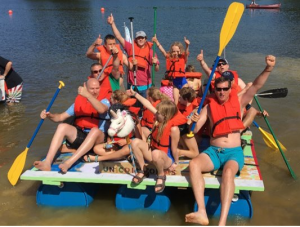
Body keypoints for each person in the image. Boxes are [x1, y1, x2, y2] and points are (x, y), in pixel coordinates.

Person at [185, 55, 276, 225]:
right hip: (213, 152)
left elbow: (256, 85)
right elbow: (195, 130)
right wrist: (192, 119)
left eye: (224, 89)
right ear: (215, 89)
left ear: (229, 89)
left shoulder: (240, 100)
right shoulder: (208, 106)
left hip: (234, 153)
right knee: (194, 164)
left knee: (228, 173)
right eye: (218, 89)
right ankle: (202, 212)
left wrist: (268, 68)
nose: (221, 92)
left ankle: (222, 222)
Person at [33, 78, 110, 172]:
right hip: (82, 136)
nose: (95, 91)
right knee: (62, 126)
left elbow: (101, 110)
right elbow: (60, 117)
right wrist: (49, 115)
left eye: (97, 88)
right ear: (85, 87)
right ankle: (47, 163)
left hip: (98, 140)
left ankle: (69, 163)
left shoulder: (105, 100)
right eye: (92, 89)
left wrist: (88, 95)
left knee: (94, 130)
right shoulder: (79, 102)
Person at [127, 86, 187, 193]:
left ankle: (161, 175)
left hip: (166, 159)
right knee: (135, 142)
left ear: (165, 115)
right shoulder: (159, 118)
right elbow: (147, 103)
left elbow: (174, 149)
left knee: (156, 154)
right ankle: (142, 169)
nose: (155, 113)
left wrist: (176, 163)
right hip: (154, 152)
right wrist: (135, 94)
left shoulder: (174, 129)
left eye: (158, 112)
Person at [107, 13, 160, 98]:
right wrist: (112, 24)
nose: (140, 39)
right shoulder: (130, 47)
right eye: (138, 38)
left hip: (145, 86)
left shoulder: (151, 51)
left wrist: (156, 63)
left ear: (146, 39)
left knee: (144, 107)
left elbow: (156, 70)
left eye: (142, 38)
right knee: (131, 107)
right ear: (135, 39)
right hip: (131, 84)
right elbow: (118, 37)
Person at [152, 35, 190, 105]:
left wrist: (187, 46)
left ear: (180, 51)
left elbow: (186, 54)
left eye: (177, 51)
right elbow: (163, 51)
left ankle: (187, 113)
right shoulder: (169, 58)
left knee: (185, 100)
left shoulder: (183, 59)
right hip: (175, 83)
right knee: (175, 101)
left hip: (183, 83)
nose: (175, 53)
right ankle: (175, 113)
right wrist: (157, 42)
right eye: (173, 51)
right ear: (171, 51)